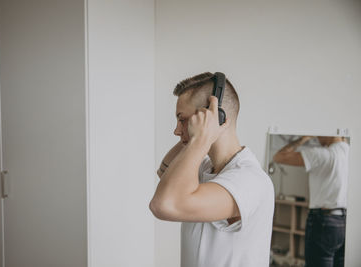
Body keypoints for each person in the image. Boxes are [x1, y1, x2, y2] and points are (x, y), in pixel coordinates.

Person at [149, 72, 275, 267]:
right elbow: (164, 171)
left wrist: (200, 138)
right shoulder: (205, 165)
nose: (176, 130)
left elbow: (164, 205)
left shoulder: (250, 180)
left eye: (182, 120)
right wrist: (195, 138)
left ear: (216, 118)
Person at [273, 135, 349, 267]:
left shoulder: (322, 154)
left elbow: (279, 156)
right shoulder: (351, 153)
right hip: (345, 222)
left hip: (323, 222)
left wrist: (303, 138)